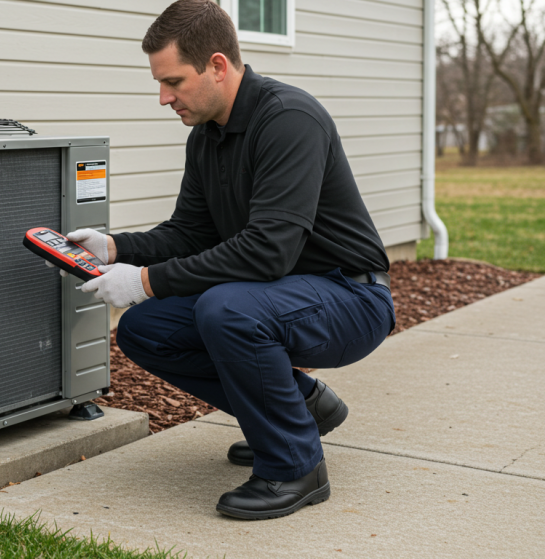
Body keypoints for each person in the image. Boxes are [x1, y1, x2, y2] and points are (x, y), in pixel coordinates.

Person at [59, 0, 396, 520]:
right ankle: (301, 410)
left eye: (173, 81)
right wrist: (114, 248)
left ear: (217, 65)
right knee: (145, 329)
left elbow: (268, 250)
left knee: (226, 309)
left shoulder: (289, 120)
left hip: (349, 295)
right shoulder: (207, 137)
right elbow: (190, 232)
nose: (163, 98)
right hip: (279, 292)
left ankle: (294, 467)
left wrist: (144, 279)